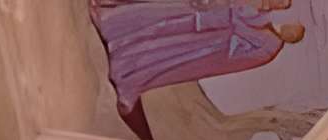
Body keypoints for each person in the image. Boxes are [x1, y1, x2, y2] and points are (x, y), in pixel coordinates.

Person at [92, 0, 307, 124]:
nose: (276, 5)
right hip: (203, 23)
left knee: (164, 50)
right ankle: (113, 26)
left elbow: (240, 34)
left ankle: (125, 65)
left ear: (291, 36)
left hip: (208, 45)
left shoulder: (270, 44)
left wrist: (237, 15)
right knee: (157, 22)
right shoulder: (263, 19)